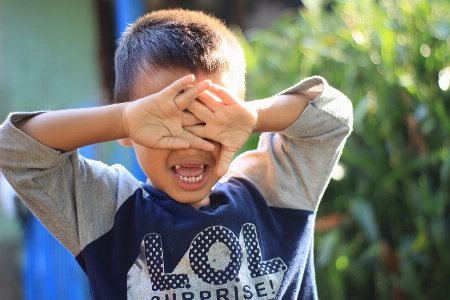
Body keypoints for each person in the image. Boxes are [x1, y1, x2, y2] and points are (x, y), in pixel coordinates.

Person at [0, 9, 353, 300]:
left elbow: (333, 116)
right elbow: (15, 148)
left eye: (206, 122)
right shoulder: (107, 210)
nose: (190, 145)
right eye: (167, 127)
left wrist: (256, 115)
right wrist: (123, 118)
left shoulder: (274, 192)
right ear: (131, 132)